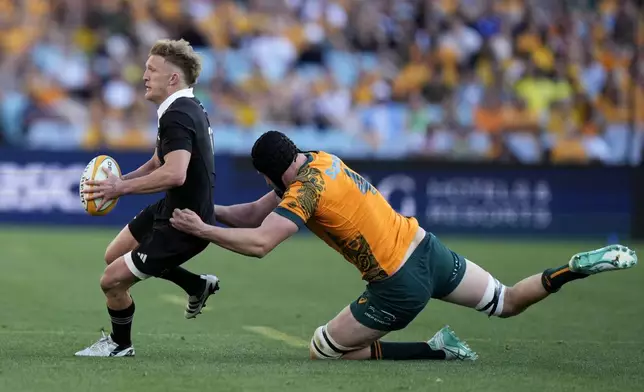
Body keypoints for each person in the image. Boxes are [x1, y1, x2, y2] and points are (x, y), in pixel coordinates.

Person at [169, 130, 638, 361]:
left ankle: (437, 351)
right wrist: (205, 212)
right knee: (507, 301)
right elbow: (252, 215)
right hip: (426, 248)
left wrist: (204, 231)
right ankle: (571, 268)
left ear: (268, 172)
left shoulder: (306, 192)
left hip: (397, 284)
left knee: (322, 350)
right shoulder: (319, 160)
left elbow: (260, 243)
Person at [75, 39, 220, 357]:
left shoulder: (177, 115)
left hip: (184, 224)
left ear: (173, 79)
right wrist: (118, 181)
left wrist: (120, 190)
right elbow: (158, 162)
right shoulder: (183, 107)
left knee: (112, 281)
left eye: (152, 69)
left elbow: (175, 173)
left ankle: (120, 345)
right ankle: (196, 285)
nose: (144, 75)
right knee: (114, 255)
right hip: (171, 209)